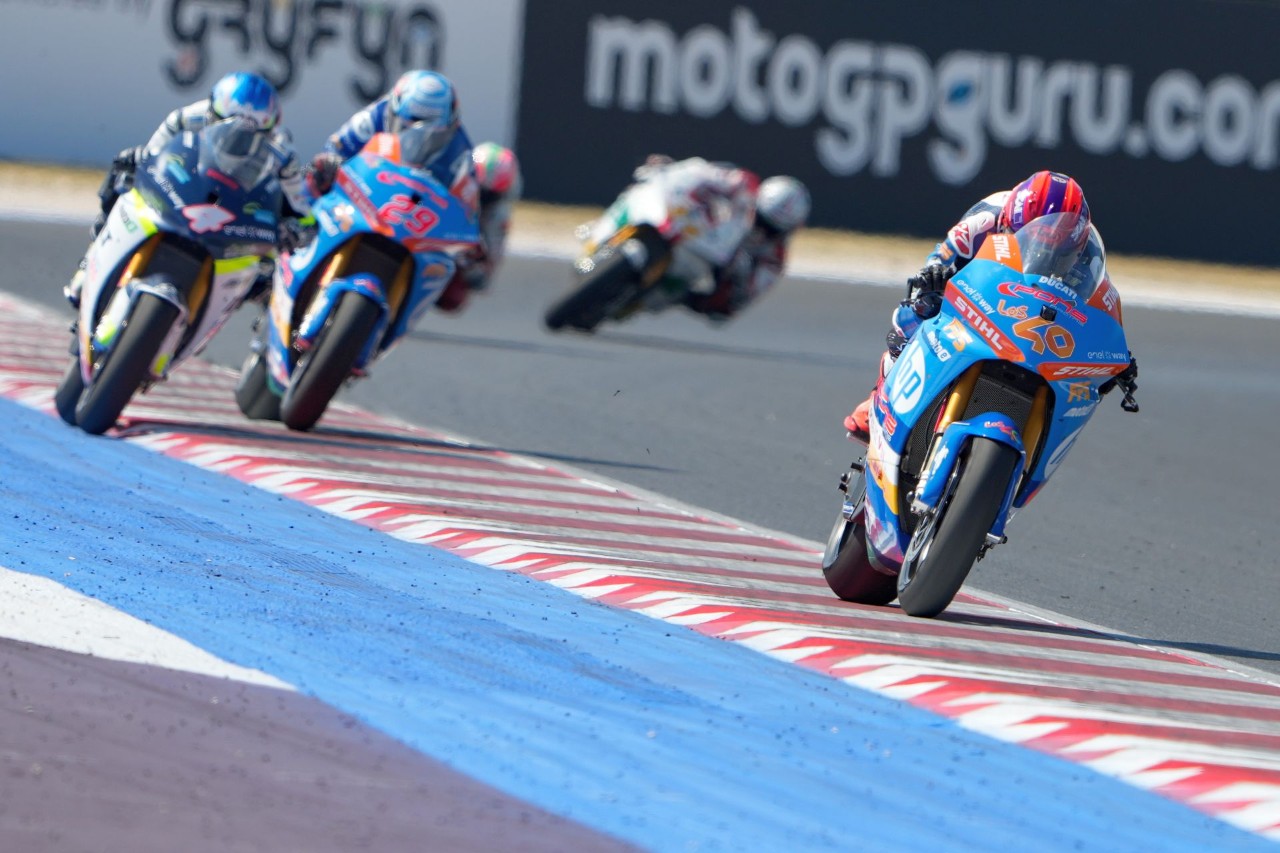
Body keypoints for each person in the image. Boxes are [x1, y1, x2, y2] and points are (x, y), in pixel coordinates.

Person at [843, 170, 1138, 442]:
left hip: (1037, 318)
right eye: (1029, 241)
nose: (1040, 254)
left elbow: (1104, 306)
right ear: (1008, 222)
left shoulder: (1089, 256)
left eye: (1055, 252)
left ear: (1076, 246)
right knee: (914, 313)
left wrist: (1117, 357)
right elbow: (941, 257)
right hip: (979, 289)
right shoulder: (985, 217)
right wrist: (934, 275)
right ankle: (879, 398)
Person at [65, 72, 310, 307]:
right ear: (212, 112)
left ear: (268, 133)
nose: (235, 141)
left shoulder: (283, 155)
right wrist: (137, 162)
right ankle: (91, 260)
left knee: (269, 272)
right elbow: (152, 155)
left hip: (239, 212)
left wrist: (294, 227)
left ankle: (259, 328)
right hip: (188, 188)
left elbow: (299, 205)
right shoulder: (186, 118)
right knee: (124, 171)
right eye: (226, 125)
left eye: (250, 136)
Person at [306, 69, 513, 311]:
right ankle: (294, 244)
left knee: (453, 294)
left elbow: (467, 209)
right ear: (395, 109)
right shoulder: (375, 115)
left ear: (449, 124)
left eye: (430, 130)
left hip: (411, 212)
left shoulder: (460, 153)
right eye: (408, 123)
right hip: (365, 191)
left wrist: (470, 246)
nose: (416, 134)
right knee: (308, 184)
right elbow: (335, 148)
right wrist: (330, 165)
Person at [631, 155, 811, 322]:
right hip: (696, 223)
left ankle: (636, 300)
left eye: (771, 229)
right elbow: (702, 174)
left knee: (673, 298)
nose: (762, 230)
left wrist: (719, 299)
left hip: (710, 259)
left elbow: (745, 296)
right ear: (758, 200)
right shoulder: (743, 183)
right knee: (653, 183)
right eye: (761, 219)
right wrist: (672, 172)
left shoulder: (774, 259)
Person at [435, 142, 522, 312]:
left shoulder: (498, 218)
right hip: (422, 229)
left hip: (448, 256)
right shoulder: (447, 178)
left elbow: (486, 272)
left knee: (453, 298)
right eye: (480, 189)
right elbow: (417, 197)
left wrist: (473, 266)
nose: (481, 197)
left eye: (489, 195)